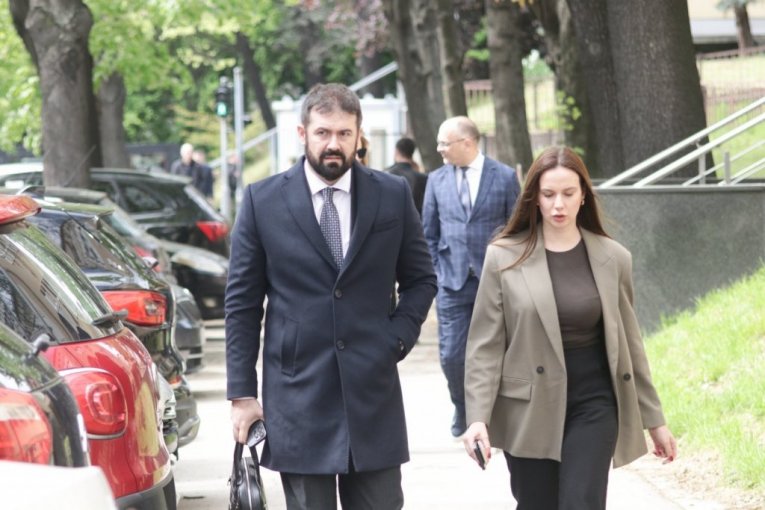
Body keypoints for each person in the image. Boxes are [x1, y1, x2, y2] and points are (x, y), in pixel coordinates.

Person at [225, 83, 437, 510]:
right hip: (298, 396)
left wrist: (396, 338)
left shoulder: (392, 194)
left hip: (372, 394)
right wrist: (242, 394)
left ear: (359, 135)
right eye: (323, 132)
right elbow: (242, 305)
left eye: (344, 133)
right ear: (302, 133)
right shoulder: (262, 201)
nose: (333, 144)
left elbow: (421, 279)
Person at [462, 146, 677, 510]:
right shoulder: (504, 257)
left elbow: (630, 345)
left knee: (581, 501)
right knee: (537, 503)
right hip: (528, 406)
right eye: (548, 194)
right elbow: (486, 346)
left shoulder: (613, 257)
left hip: (594, 403)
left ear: (584, 196)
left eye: (568, 193)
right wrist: (478, 418)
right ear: (534, 198)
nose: (558, 204)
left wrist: (654, 420)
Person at [421, 115, 521, 438]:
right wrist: (436, 273)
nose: (439, 149)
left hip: (494, 282)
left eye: (444, 143)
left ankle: (492, 413)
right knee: (452, 356)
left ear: (467, 143)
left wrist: (510, 273)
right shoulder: (435, 180)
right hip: (451, 283)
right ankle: (463, 407)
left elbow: (517, 230)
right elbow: (428, 234)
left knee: (497, 351)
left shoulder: (504, 177)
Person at [387, 137, 428, 215]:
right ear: (412, 153)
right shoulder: (423, 178)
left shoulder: (385, 174)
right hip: (416, 220)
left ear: (396, 152)